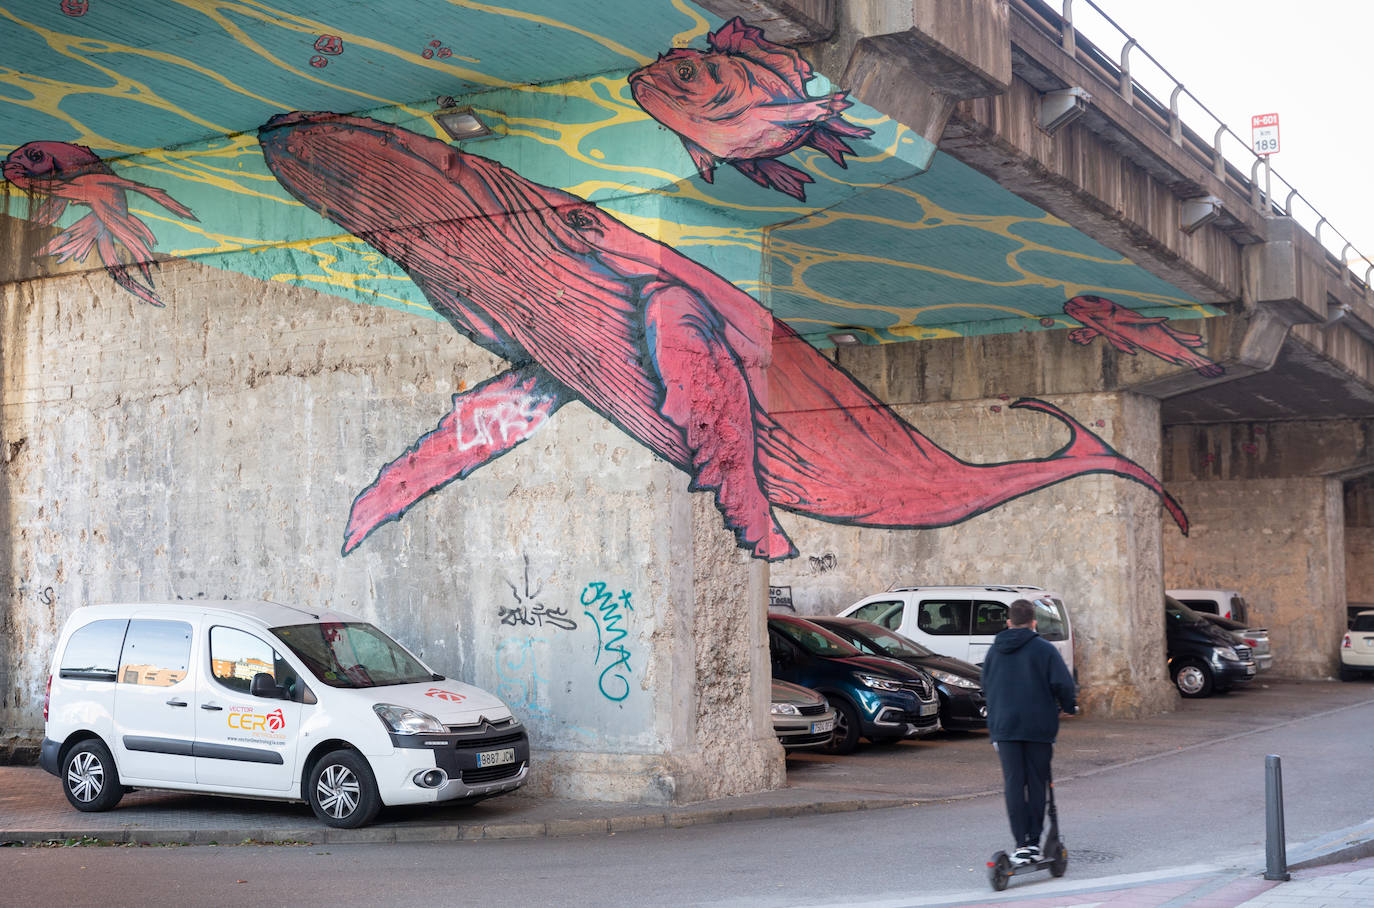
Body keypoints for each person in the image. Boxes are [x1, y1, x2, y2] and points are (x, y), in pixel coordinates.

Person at [980, 597, 1077, 866]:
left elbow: (985, 684)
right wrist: (1070, 706)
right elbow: (1064, 684)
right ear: (1034, 622)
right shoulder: (1044, 650)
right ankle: (1033, 843)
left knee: (1013, 783)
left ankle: (1021, 843)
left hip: (1004, 727)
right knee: (1036, 782)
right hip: (1037, 727)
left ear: (1009, 622)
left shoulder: (994, 651)